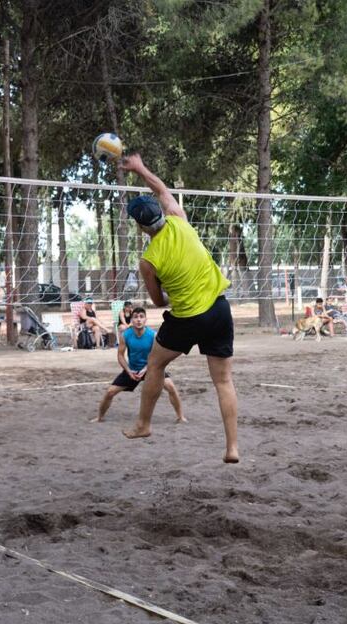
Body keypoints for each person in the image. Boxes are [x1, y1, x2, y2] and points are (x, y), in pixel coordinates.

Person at [117, 153, 239, 463]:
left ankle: (144, 424)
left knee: (155, 364)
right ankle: (232, 449)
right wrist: (141, 167)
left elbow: (158, 303)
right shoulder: (179, 218)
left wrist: (176, 296)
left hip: (187, 318)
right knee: (224, 381)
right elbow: (160, 188)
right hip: (219, 309)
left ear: (141, 228)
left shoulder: (148, 260)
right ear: (160, 212)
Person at [91, 306, 185, 423]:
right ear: (131, 320)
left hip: (151, 368)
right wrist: (129, 371)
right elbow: (120, 355)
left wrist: (146, 369)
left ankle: (180, 417)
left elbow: (157, 356)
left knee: (171, 387)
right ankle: (99, 417)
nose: (139, 320)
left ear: (145, 320)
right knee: (110, 392)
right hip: (133, 370)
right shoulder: (125, 335)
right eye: (135, 317)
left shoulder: (153, 335)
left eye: (141, 317)